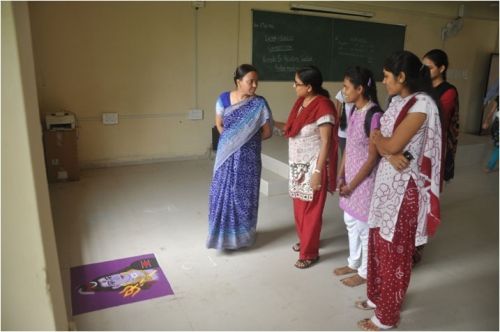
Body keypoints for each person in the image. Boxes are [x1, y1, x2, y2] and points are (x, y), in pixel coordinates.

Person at [356, 51, 442, 331]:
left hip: (405, 189)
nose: (383, 81)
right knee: (378, 242)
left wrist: (387, 147)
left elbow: (389, 143)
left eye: (387, 76)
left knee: (394, 252)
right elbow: (381, 141)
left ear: (402, 77)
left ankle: (387, 316)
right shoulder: (397, 101)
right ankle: (377, 297)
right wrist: (389, 151)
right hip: (387, 183)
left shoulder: (422, 104)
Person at [207, 64, 273, 250]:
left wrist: (246, 138)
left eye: (256, 82)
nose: (254, 85)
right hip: (226, 156)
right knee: (221, 193)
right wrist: (231, 140)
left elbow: (267, 132)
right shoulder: (223, 99)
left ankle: (242, 238)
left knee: (245, 196)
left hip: (249, 159)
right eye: (250, 81)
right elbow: (219, 124)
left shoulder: (259, 103)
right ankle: (221, 238)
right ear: (238, 82)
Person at [282, 66, 338, 269]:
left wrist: (317, 172)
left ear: (309, 86)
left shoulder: (323, 106)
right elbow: (293, 129)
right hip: (298, 165)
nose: (294, 86)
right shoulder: (301, 102)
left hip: (314, 165)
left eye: (297, 83)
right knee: (299, 208)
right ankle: (306, 240)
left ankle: (310, 253)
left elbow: (326, 142)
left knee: (311, 211)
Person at [333, 66, 383, 287]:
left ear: (360, 89)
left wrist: (352, 184)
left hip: (364, 181)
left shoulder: (374, 115)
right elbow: (350, 147)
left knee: (363, 228)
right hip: (350, 178)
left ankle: (364, 272)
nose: (343, 91)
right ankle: (353, 262)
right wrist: (340, 174)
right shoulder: (353, 110)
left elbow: (372, 158)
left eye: (346, 87)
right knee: (350, 222)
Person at [422, 49, 460, 186]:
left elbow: (438, 116)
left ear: (442, 68)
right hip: (419, 137)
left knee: (430, 180)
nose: (425, 71)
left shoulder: (449, 91)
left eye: (430, 68)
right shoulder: (422, 87)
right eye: (423, 68)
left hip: (435, 140)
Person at [334, 89, 355, 157]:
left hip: (357, 133)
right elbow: (337, 114)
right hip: (344, 133)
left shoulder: (361, 93)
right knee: (345, 157)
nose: (344, 88)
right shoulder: (341, 93)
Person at [482, 95, 499, 173]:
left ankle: (490, 166)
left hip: (497, 123)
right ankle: (490, 166)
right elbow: (492, 111)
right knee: (498, 147)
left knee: (497, 146)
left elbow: (492, 111)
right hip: (498, 124)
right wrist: (486, 121)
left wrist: (487, 121)